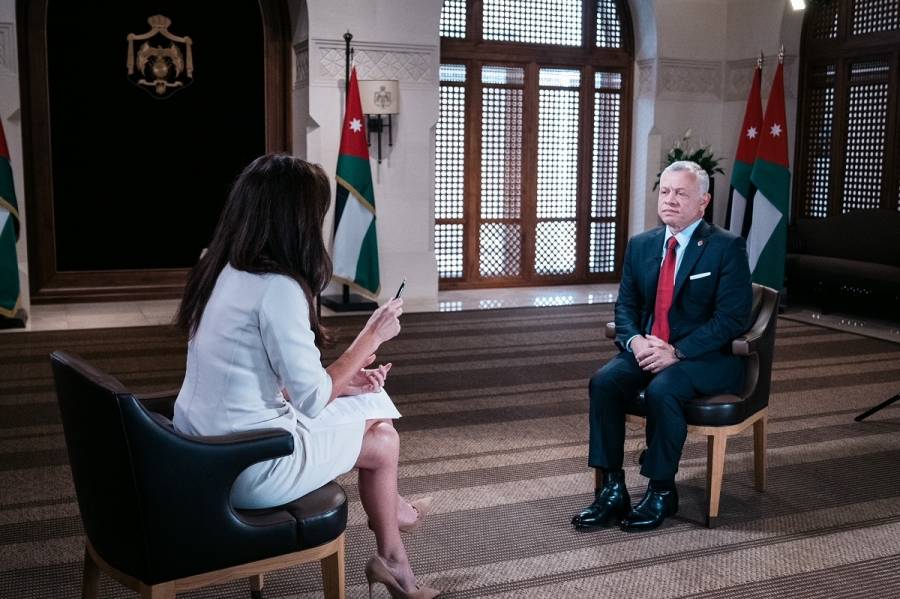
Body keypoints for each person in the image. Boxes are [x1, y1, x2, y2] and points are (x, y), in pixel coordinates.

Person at [173, 154, 439, 598]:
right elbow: (312, 399)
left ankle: (394, 539)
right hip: (251, 464)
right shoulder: (277, 288)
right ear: (296, 221)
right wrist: (371, 337)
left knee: (375, 425)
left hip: (198, 447)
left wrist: (346, 381)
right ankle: (394, 531)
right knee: (384, 438)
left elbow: (251, 372)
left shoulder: (219, 269)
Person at [572, 160, 752, 532]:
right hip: (650, 348)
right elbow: (625, 306)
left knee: (663, 388)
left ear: (703, 202)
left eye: (681, 193)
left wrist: (677, 352)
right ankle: (612, 489)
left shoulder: (726, 247)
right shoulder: (642, 245)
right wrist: (635, 341)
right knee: (603, 382)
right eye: (665, 191)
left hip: (704, 357)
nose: (669, 200)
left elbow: (731, 318)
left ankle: (661, 490)